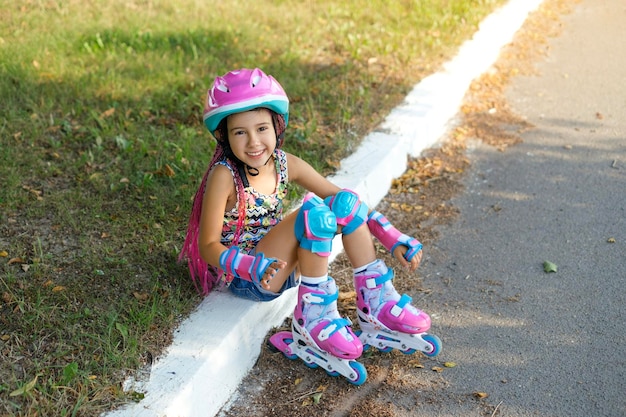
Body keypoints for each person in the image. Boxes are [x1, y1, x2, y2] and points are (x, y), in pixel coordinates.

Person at [179, 68, 440, 384]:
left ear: (278, 125)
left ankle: (376, 303)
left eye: (262, 128)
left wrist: (392, 237)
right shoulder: (224, 176)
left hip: (287, 268)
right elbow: (208, 245)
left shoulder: (285, 163)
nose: (253, 142)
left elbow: (346, 202)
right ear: (224, 137)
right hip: (251, 277)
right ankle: (312, 319)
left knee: (341, 204)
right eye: (239, 133)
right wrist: (248, 266)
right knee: (312, 215)